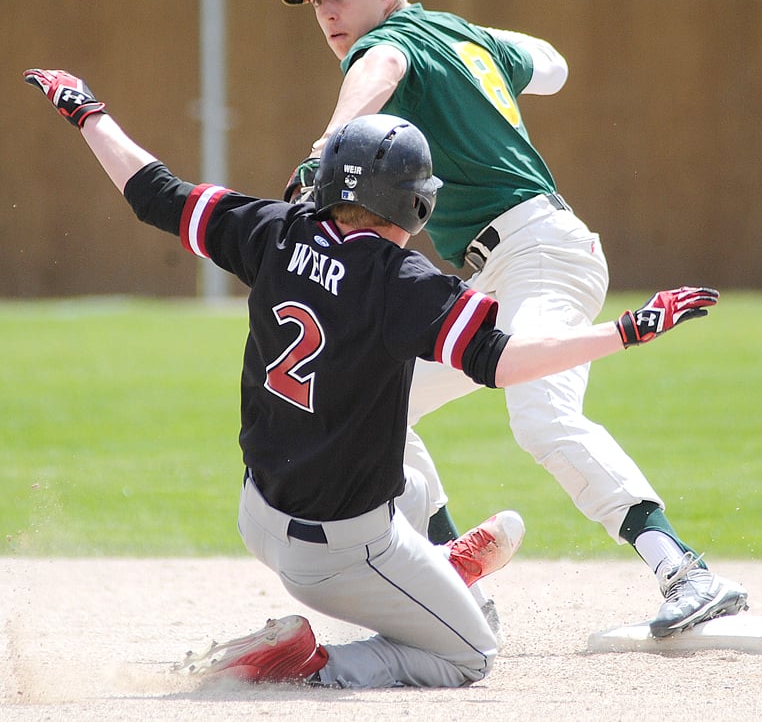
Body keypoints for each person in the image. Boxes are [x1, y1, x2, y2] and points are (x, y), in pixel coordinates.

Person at [26, 68, 720, 686]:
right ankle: (314, 665)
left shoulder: (274, 230)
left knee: (410, 473)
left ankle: (442, 561)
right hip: (340, 554)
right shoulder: (403, 281)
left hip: (258, 510)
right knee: (470, 654)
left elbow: (154, 192)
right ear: (416, 206)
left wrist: (88, 112)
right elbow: (508, 361)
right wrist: (625, 331)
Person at [279, 0, 748, 639]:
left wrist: (324, 152)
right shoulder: (460, 38)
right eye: (317, 1)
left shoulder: (387, 46)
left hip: (539, 252)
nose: (329, 13)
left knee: (540, 413)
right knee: (376, 398)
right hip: (503, 267)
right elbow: (552, 67)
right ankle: (448, 575)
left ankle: (687, 572)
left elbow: (374, 78)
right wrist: (473, 39)